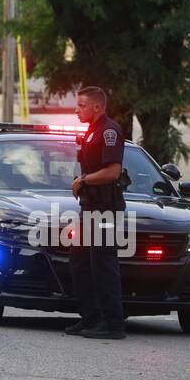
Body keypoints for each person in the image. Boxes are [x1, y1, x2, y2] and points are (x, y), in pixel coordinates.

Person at [67, 85, 128, 340]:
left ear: (97, 107)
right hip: (90, 208)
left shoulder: (109, 131)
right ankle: (90, 317)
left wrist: (84, 180)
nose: (76, 110)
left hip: (105, 209)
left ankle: (112, 324)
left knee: (103, 265)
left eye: (81, 105)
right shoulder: (93, 131)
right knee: (80, 262)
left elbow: (113, 172)